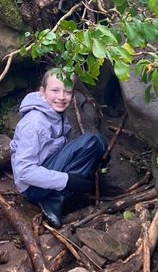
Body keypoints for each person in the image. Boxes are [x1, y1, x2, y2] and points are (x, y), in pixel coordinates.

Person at [10, 70, 107, 229]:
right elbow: (24, 171)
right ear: (42, 92)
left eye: (67, 92)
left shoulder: (55, 113)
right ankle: (53, 201)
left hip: (45, 170)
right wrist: (66, 180)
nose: (61, 97)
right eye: (55, 90)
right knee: (90, 142)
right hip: (32, 188)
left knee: (98, 142)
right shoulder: (34, 123)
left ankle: (63, 196)